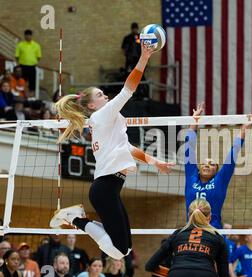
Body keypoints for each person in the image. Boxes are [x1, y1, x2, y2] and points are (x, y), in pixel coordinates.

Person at [50, 43, 174, 260]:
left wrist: (155, 162)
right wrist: (144, 57)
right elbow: (129, 88)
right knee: (117, 252)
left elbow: (128, 149)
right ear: (91, 105)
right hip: (105, 188)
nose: (105, 95)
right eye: (100, 94)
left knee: (124, 250)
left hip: (109, 188)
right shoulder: (102, 116)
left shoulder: (110, 121)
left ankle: (78, 218)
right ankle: (74, 219)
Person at [145, 199, 230, 277]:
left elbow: (150, 266)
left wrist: (175, 272)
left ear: (189, 215)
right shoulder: (218, 237)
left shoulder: (177, 234)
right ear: (210, 217)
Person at [185, 102, 250, 229]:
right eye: (204, 163)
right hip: (191, 229)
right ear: (199, 168)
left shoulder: (220, 181)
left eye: (212, 164)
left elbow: (232, 157)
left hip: (213, 230)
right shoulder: (191, 177)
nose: (207, 165)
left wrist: (243, 131)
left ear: (216, 171)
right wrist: (194, 120)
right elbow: (188, 149)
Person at [15, 29, 42, 95]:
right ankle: (23, 96)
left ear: (31, 36)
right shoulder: (20, 45)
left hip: (32, 67)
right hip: (22, 66)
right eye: (26, 35)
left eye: (29, 35)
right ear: (24, 36)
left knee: (32, 83)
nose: (28, 37)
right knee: (22, 82)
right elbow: (17, 56)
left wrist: (33, 62)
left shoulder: (36, 45)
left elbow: (39, 56)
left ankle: (31, 96)